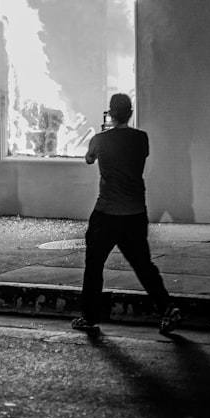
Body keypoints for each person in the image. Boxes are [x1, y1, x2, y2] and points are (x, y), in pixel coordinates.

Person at [71, 93, 182, 335]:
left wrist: (100, 141)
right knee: (143, 264)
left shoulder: (99, 139)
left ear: (110, 114)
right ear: (130, 113)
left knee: (94, 265)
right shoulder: (141, 139)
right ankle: (167, 307)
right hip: (135, 212)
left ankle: (89, 317)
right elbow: (137, 156)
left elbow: (89, 160)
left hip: (107, 213)